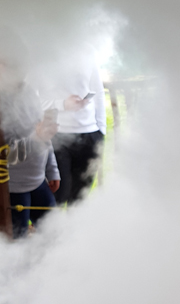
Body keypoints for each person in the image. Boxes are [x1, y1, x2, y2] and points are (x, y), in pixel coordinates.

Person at [40, 50, 106, 205]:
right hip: (58, 137)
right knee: (57, 196)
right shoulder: (44, 53)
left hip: (90, 135)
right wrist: (63, 104)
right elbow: (36, 100)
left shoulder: (88, 51)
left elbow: (98, 92)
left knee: (80, 199)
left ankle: (75, 223)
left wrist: (101, 131)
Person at [8, 109, 60, 237]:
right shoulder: (8, 121)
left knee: (51, 226)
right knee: (19, 234)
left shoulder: (37, 112)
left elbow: (49, 148)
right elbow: (10, 157)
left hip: (39, 184)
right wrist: (36, 138)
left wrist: (53, 172)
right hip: (15, 189)